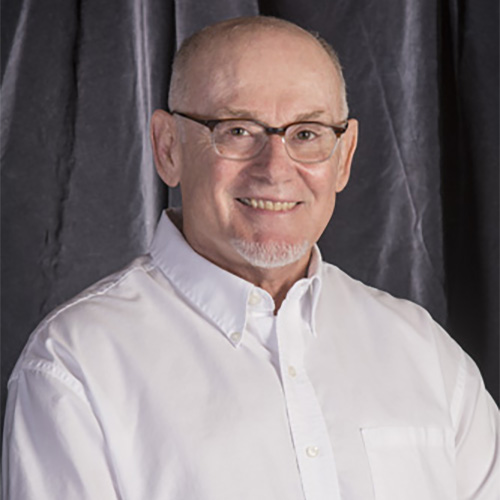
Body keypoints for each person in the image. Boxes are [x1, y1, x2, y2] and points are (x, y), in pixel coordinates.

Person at [2, 16, 498, 500]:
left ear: (343, 157)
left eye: (306, 133)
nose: (275, 169)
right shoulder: (76, 366)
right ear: (168, 147)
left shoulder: (427, 356)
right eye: (238, 130)